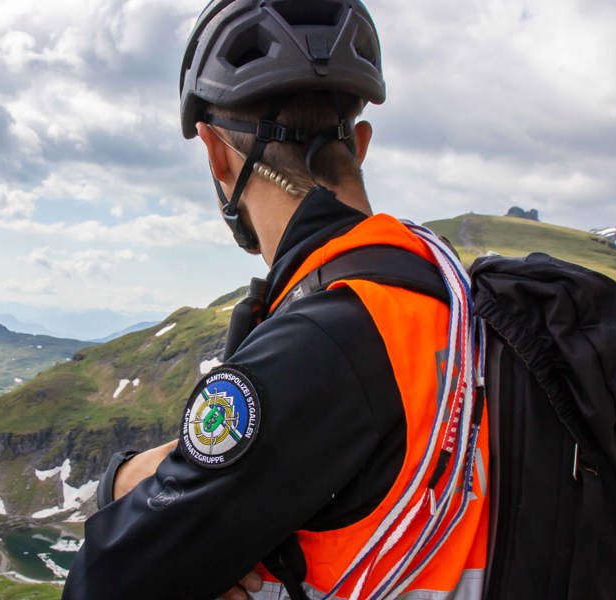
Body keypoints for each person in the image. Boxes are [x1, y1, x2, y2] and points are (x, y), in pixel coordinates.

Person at [63, 1, 490, 598]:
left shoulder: (324, 340)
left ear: (215, 153)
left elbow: (100, 585)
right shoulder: (454, 295)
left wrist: (117, 484)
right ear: (360, 144)